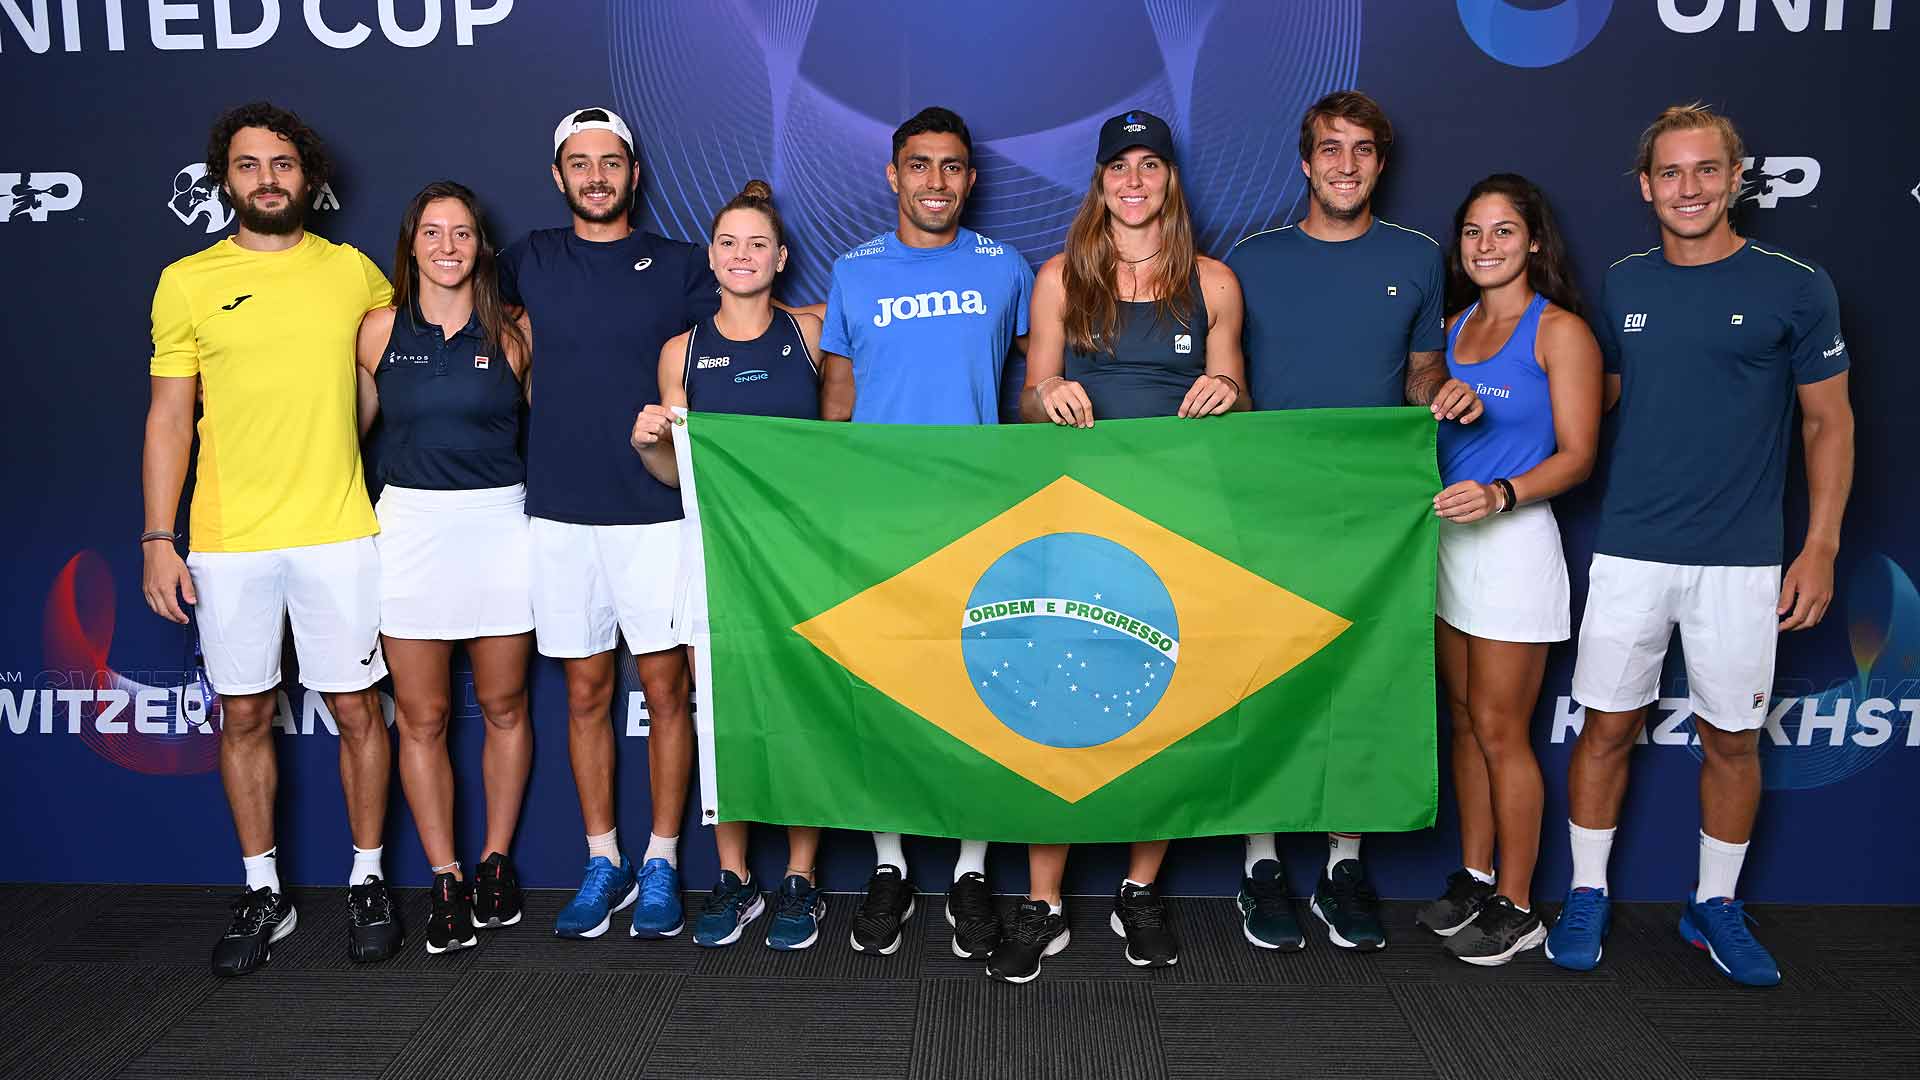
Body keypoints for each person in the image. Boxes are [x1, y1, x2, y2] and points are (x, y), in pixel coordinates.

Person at [1548, 104, 1853, 987]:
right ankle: (1589, 891)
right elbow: (1585, 400)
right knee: (1606, 727)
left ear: (1736, 178)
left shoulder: (1797, 286)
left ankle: (1713, 904)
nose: (1690, 189)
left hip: (1744, 561)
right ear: (1647, 187)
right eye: (1671, 174)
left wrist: (1822, 545)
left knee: (1732, 740)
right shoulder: (1622, 284)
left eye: (1707, 171)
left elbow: (1828, 424)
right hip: (1633, 550)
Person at [142, 102, 401, 976]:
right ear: (228, 180)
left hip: (337, 531)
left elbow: (394, 368)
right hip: (227, 538)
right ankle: (265, 893)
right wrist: (155, 537)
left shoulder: (355, 274)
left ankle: (368, 878)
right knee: (245, 712)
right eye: (250, 165)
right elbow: (170, 419)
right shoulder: (186, 281)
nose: (267, 179)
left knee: (359, 711)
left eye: (283, 164)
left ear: (309, 178)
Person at [1225, 90, 1482, 953]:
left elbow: (1418, 372)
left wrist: (1436, 390)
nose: (1345, 165)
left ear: (1380, 163)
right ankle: (1260, 863)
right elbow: (1229, 381)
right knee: (1262, 678)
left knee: (1360, 681)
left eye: (1362, 150)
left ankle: (1343, 863)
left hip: (1372, 512)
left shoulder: (1418, 257)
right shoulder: (1248, 261)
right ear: (1305, 162)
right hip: (1265, 506)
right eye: (1330, 149)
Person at [995, 110, 1246, 982]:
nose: (1133, 181)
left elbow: (1239, 399)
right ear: (1099, 183)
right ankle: (1045, 902)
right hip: (1075, 526)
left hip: (1178, 527)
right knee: (1053, 708)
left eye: (1149, 166)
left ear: (1169, 180)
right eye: (1118, 168)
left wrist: (1222, 387)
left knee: (1164, 707)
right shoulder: (1062, 277)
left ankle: (1140, 889)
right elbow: (1028, 399)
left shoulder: (1213, 281)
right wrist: (1052, 387)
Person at [818, 106, 1035, 959]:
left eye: (951, 167)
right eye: (919, 166)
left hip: (979, 518)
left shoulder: (1007, 268)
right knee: (885, 694)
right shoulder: (852, 271)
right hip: (879, 520)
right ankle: (889, 865)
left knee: (976, 694)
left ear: (970, 180)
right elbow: (836, 406)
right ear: (893, 175)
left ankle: (973, 867)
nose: (935, 182)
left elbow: (1032, 383)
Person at [498, 107, 720, 940]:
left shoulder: (678, 265)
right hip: (558, 512)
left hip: (655, 512)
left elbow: (754, 319)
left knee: (667, 691)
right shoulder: (529, 259)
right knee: (586, 692)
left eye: (611, 163)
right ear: (560, 177)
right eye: (580, 164)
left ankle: (662, 859)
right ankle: (605, 859)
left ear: (634, 174)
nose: (596, 176)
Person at [628, 180, 831, 950]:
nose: (742, 256)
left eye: (757, 244)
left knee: (802, 708)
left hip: (798, 556)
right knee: (723, 716)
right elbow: (676, 477)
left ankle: (801, 876)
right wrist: (650, 444)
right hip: (713, 551)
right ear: (710, 257)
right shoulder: (682, 351)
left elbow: (840, 444)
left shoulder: (810, 334)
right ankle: (735, 874)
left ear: (780, 259)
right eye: (727, 243)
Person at [1410, 174, 1601, 965]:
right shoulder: (1452, 329)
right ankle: (1478, 874)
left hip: (1515, 543)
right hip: (1450, 543)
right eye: (1473, 233)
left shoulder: (1560, 332)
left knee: (1500, 729)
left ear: (1533, 241)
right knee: (1461, 720)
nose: (1486, 246)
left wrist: (1502, 492)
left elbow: (1580, 457)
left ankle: (1520, 905)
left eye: (1503, 231)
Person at [353, 181, 533, 955]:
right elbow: (341, 436)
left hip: (499, 522)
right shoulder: (377, 330)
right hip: (410, 530)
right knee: (421, 718)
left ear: (481, 246)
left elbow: (556, 426)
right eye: (433, 233)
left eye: (463, 233)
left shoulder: (519, 332)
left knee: (504, 705)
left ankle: (496, 863)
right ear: (412, 244)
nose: (449, 246)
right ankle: (445, 877)